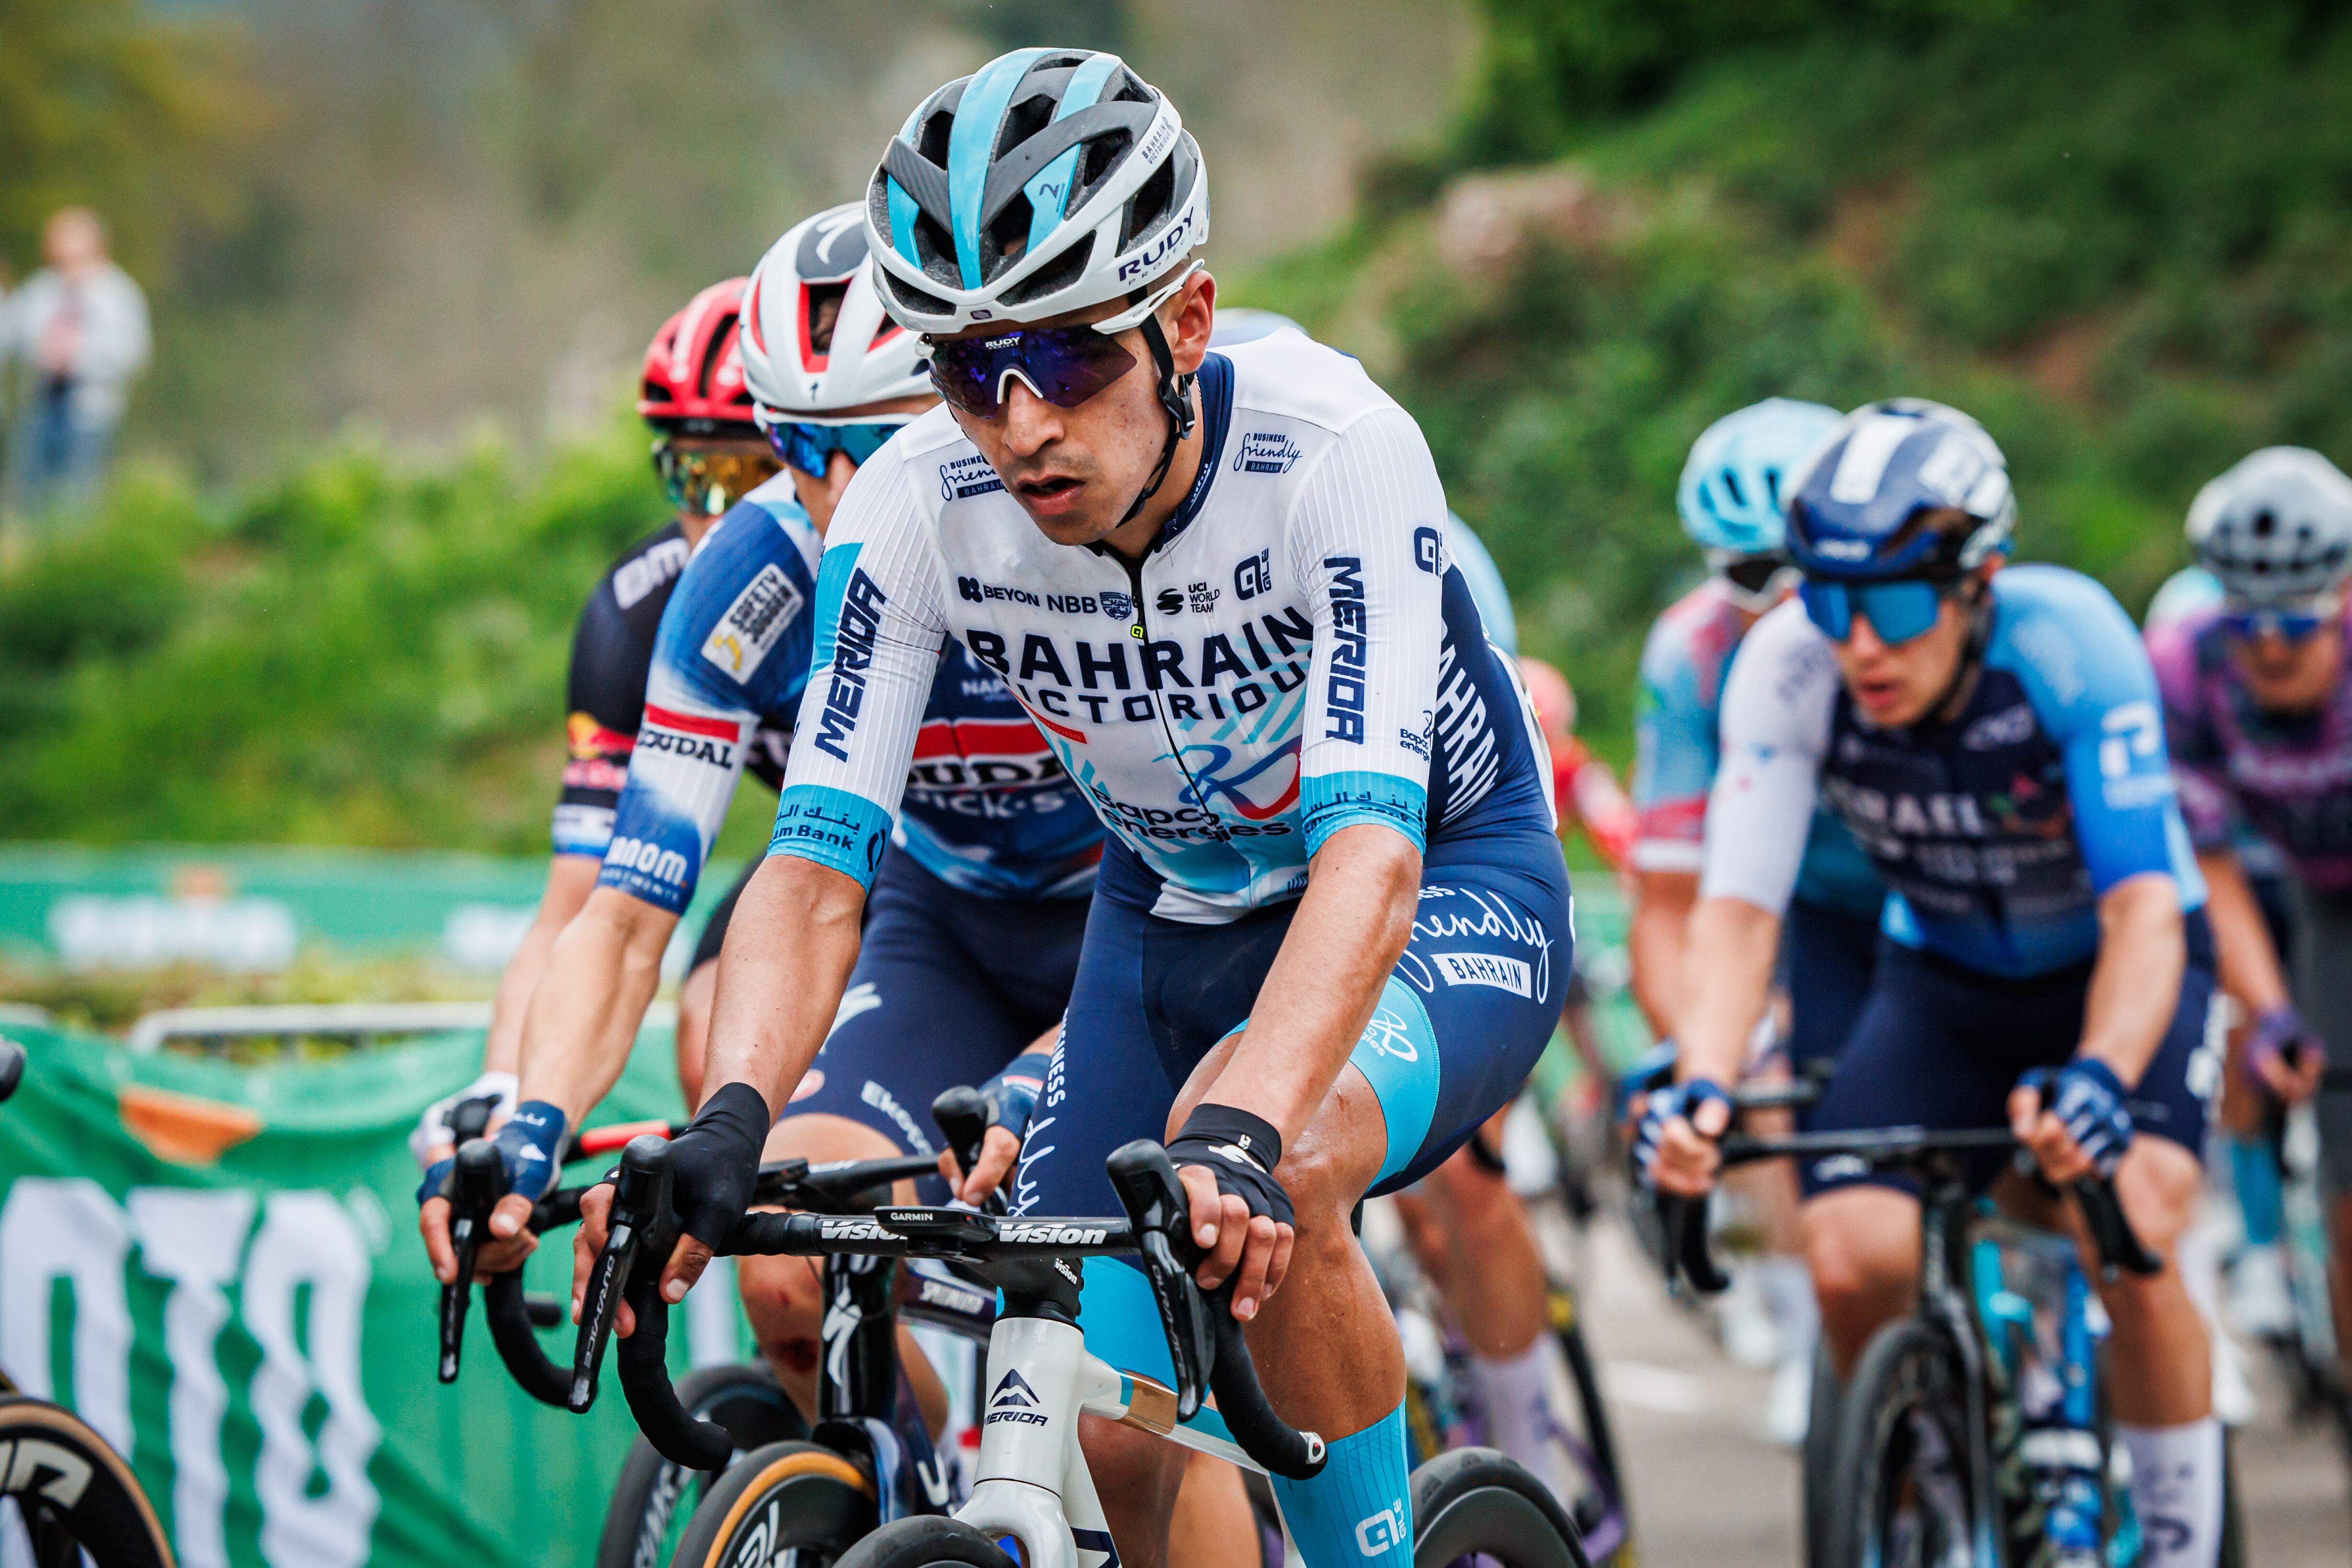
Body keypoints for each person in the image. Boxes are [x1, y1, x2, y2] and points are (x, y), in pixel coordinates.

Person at [581, 48, 1571, 1568]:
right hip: (1163, 910)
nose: (1024, 419)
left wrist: (1242, 1128)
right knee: (1109, 1423)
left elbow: (1369, 850)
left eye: (1069, 359)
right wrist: (733, 1116)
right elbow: (817, 862)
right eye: (974, 371)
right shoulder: (919, 501)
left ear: (1183, 319)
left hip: (1441, 882)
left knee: (1282, 1164)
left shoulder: (1337, 449)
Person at [1643, 399, 2225, 1567]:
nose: (1857, 642)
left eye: (1894, 602)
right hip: (1943, 978)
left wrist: (2103, 1072)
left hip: (2109, 973)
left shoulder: (2068, 644)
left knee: (2133, 1227)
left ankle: (2176, 1538)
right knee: (1849, 1249)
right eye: (1825, 595)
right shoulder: (1787, 666)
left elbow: (2140, 906)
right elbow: (1738, 910)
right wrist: (1701, 1082)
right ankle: (1928, 1495)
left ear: (1976, 582)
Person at [410, 280, 780, 1167]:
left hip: (975, 858)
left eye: (750, 477)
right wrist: (509, 1083)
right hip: (831, 862)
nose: (719, 518)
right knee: (714, 1044)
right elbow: (577, 904)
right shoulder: (637, 612)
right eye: (694, 475)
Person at [1626, 397, 1881, 1442]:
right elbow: (1669, 907)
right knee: (1761, 1085)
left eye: (1799, 564)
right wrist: (1701, 1059)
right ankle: (1809, 1326)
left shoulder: (1890, 620)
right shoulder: (1688, 657)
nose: (1781, 603)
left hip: (1937, 892)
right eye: (1747, 575)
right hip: (1799, 904)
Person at [2149, 446, 2352, 1398]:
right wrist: (2270, 1013)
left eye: (2295, 622)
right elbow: (2210, 867)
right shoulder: (2186, 673)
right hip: (2313, 898)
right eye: (2246, 622)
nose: (2268, 645)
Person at [0, 209, 150, 520]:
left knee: (80, 491)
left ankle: (74, 556)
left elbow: (134, 352)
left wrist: (80, 355)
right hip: (40, 400)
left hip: (89, 406)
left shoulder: (117, 293)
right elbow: (12, 333)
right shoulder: (42, 289)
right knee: (28, 488)